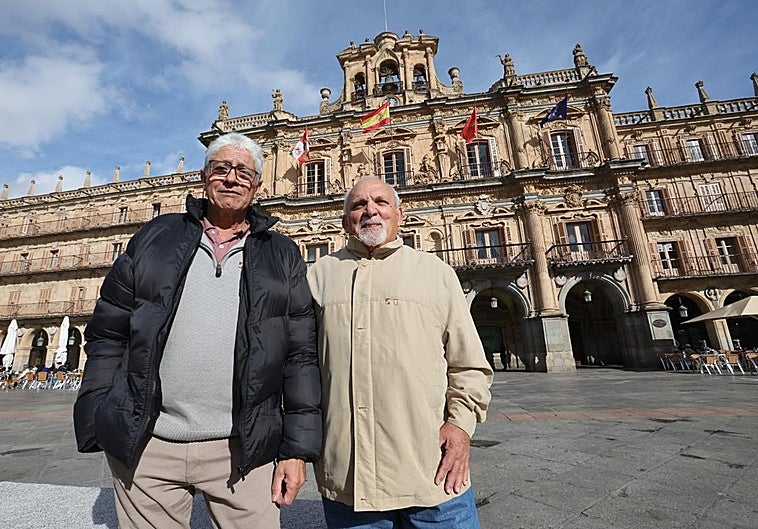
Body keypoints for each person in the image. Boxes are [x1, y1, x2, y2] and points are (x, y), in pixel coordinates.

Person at [74, 132, 321, 529]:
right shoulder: (156, 236)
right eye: (221, 168)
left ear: (258, 186)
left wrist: (297, 449)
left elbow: (299, 356)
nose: (231, 178)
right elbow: (108, 332)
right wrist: (99, 412)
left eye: (243, 171)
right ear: (204, 177)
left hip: (245, 449)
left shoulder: (282, 252)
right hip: (148, 446)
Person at [307, 176, 493, 528]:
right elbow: (299, 367)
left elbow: (469, 365)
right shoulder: (318, 276)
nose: (370, 210)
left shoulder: (436, 273)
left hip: (432, 474)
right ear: (346, 219)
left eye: (380, 202)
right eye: (358, 205)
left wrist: (461, 426)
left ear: (399, 214)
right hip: (349, 480)